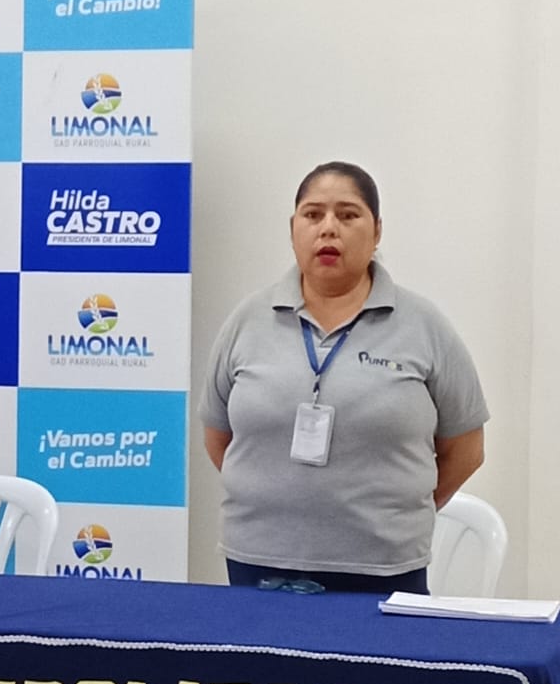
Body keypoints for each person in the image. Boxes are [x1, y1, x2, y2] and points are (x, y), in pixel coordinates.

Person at [200, 162, 488, 592]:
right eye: (313, 214)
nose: (328, 228)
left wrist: (395, 517)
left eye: (348, 215)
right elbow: (219, 437)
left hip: (384, 568)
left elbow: (466, 449)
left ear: (377, 231)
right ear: (293, 229)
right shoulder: (247, 321)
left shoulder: (424, 326)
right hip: (258, 564)